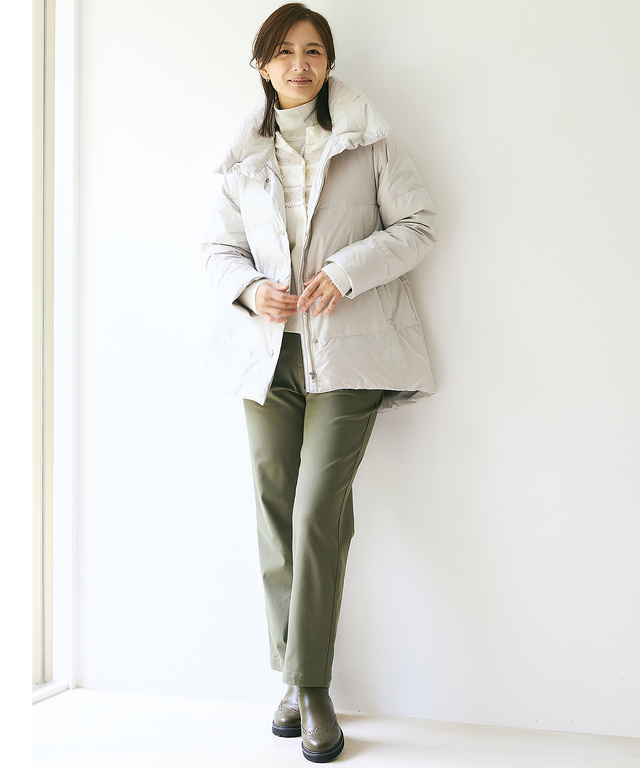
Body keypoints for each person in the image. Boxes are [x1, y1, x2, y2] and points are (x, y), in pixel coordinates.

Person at [201, 3, 437, 762]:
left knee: (314, 513)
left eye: (313, 51)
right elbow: (217, 249)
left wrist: (345, 270)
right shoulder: (243, 153)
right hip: (268, 357)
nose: (299, 64)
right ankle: (292, 676)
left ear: (328, 63)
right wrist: (250, 290)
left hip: (351, 354)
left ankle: (310, 686)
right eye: (284, 52)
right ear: (262, 65)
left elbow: (419, 225)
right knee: (276, 510)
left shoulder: (369, 139)